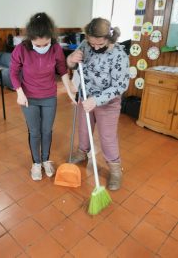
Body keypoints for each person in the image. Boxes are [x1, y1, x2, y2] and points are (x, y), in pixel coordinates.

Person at [10, 12, 75, 181]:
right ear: (30, 39)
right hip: (28, 98)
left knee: (47, 131)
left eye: (44, 44)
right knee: (35, 131)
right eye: (37, 45)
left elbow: (62, 71)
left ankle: (46, 159)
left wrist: (69, 91)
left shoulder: (56, 48)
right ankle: (36, 163)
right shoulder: (21, 49)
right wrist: (19, 92)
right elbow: (13, 73)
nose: (41, 48)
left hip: (49, 97)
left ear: (51, 38)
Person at [67, 17, 130, 191]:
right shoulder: (86, 45)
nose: (94, 47)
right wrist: (71, 59)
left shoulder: (119, 55)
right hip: (85, 96)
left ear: (109, 38)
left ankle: (115, 170)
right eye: (91, 43)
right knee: (83, 129)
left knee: (107, 138)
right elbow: (73, 64)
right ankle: (82, 152)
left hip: (107, 103)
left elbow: (121, 85)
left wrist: (96, 100)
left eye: (99, 44)